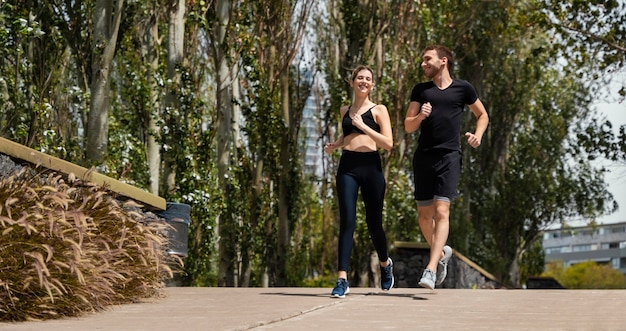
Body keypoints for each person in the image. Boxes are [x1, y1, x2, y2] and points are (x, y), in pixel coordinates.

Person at [404, 45, 489, 290]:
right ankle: (441, 254)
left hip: (450, 156)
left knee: (442, 211)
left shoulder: (463, 89)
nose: (423, 64)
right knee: (424, 216)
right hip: (423, 158)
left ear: (443, 61)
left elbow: (482, 115)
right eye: (422, 60)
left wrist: (478, 135)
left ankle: (430, 269)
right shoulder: (421, 90)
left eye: (427, 59)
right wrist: (420, 116)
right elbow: (408, 126)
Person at [324, 65, 394, 298]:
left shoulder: (379, 109)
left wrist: (364, 125)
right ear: (352, 82)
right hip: (348, 167)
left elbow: (388, 143)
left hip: (371, 167)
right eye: (360, 78)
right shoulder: (345, 109)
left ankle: (385, 264)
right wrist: (336, 144)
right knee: (348, 221)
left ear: (372, 85)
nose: (364, 81)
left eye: (368, 79)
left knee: (374, 223)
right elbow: (348, 136)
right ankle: (342, 279)